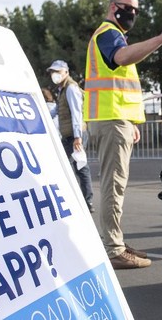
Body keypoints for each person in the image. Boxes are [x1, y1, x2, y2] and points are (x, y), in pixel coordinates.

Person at [84, 0, 162, 269]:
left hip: (116, 120)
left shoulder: (113, 35)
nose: (132, 13)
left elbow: (119, 81)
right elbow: (122, 58)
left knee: (114, 184)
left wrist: (132, 122)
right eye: (127, 7)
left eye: (136, 10)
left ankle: (114, 240)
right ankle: (113, 248)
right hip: (111, 120)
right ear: (112, 6)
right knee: (113, 186)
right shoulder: (108, 33)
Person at [46, 60, 95, 213]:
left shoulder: (71, 88)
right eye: (53, 72)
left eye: (58, 71)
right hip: (70, 135)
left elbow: (76, 113)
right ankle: (85, 201)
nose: (55, 75)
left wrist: (77, 137)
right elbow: (57, 111)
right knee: (78, 167)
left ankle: (85, 202)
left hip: (75, 135)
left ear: (66, 72)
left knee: (74, 167)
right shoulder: (62, 89)